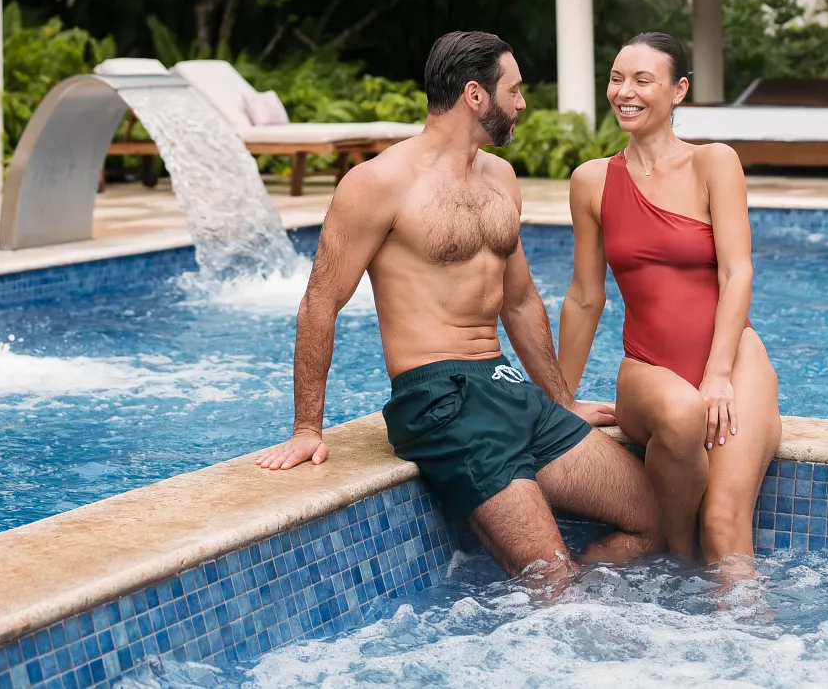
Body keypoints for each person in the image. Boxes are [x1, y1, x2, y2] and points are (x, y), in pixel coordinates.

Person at [256, 30, 662, 582]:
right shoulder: (379, 182)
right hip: (439, 398)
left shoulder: (501, 178)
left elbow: (518, 301)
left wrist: (561, 400)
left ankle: (583, 605)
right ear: (476, 96)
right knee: (550, 576)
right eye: (514, 91)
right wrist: (308, 428)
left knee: (656, 522)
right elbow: (320, 303)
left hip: (506, 386)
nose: (521, 104)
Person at [559, 31, 781, 572]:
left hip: (732, 362)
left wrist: (720, 374)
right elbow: (586, 297)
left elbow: (737, 273)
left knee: (725, 528)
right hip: (648, 369)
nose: (624, 92)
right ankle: (671, 562)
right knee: (681, 412)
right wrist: (558, 400)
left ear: (679, 90)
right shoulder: (591, 181)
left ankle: (747, 647)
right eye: (616, 78)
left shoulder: (715, 164)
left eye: (642, 80)